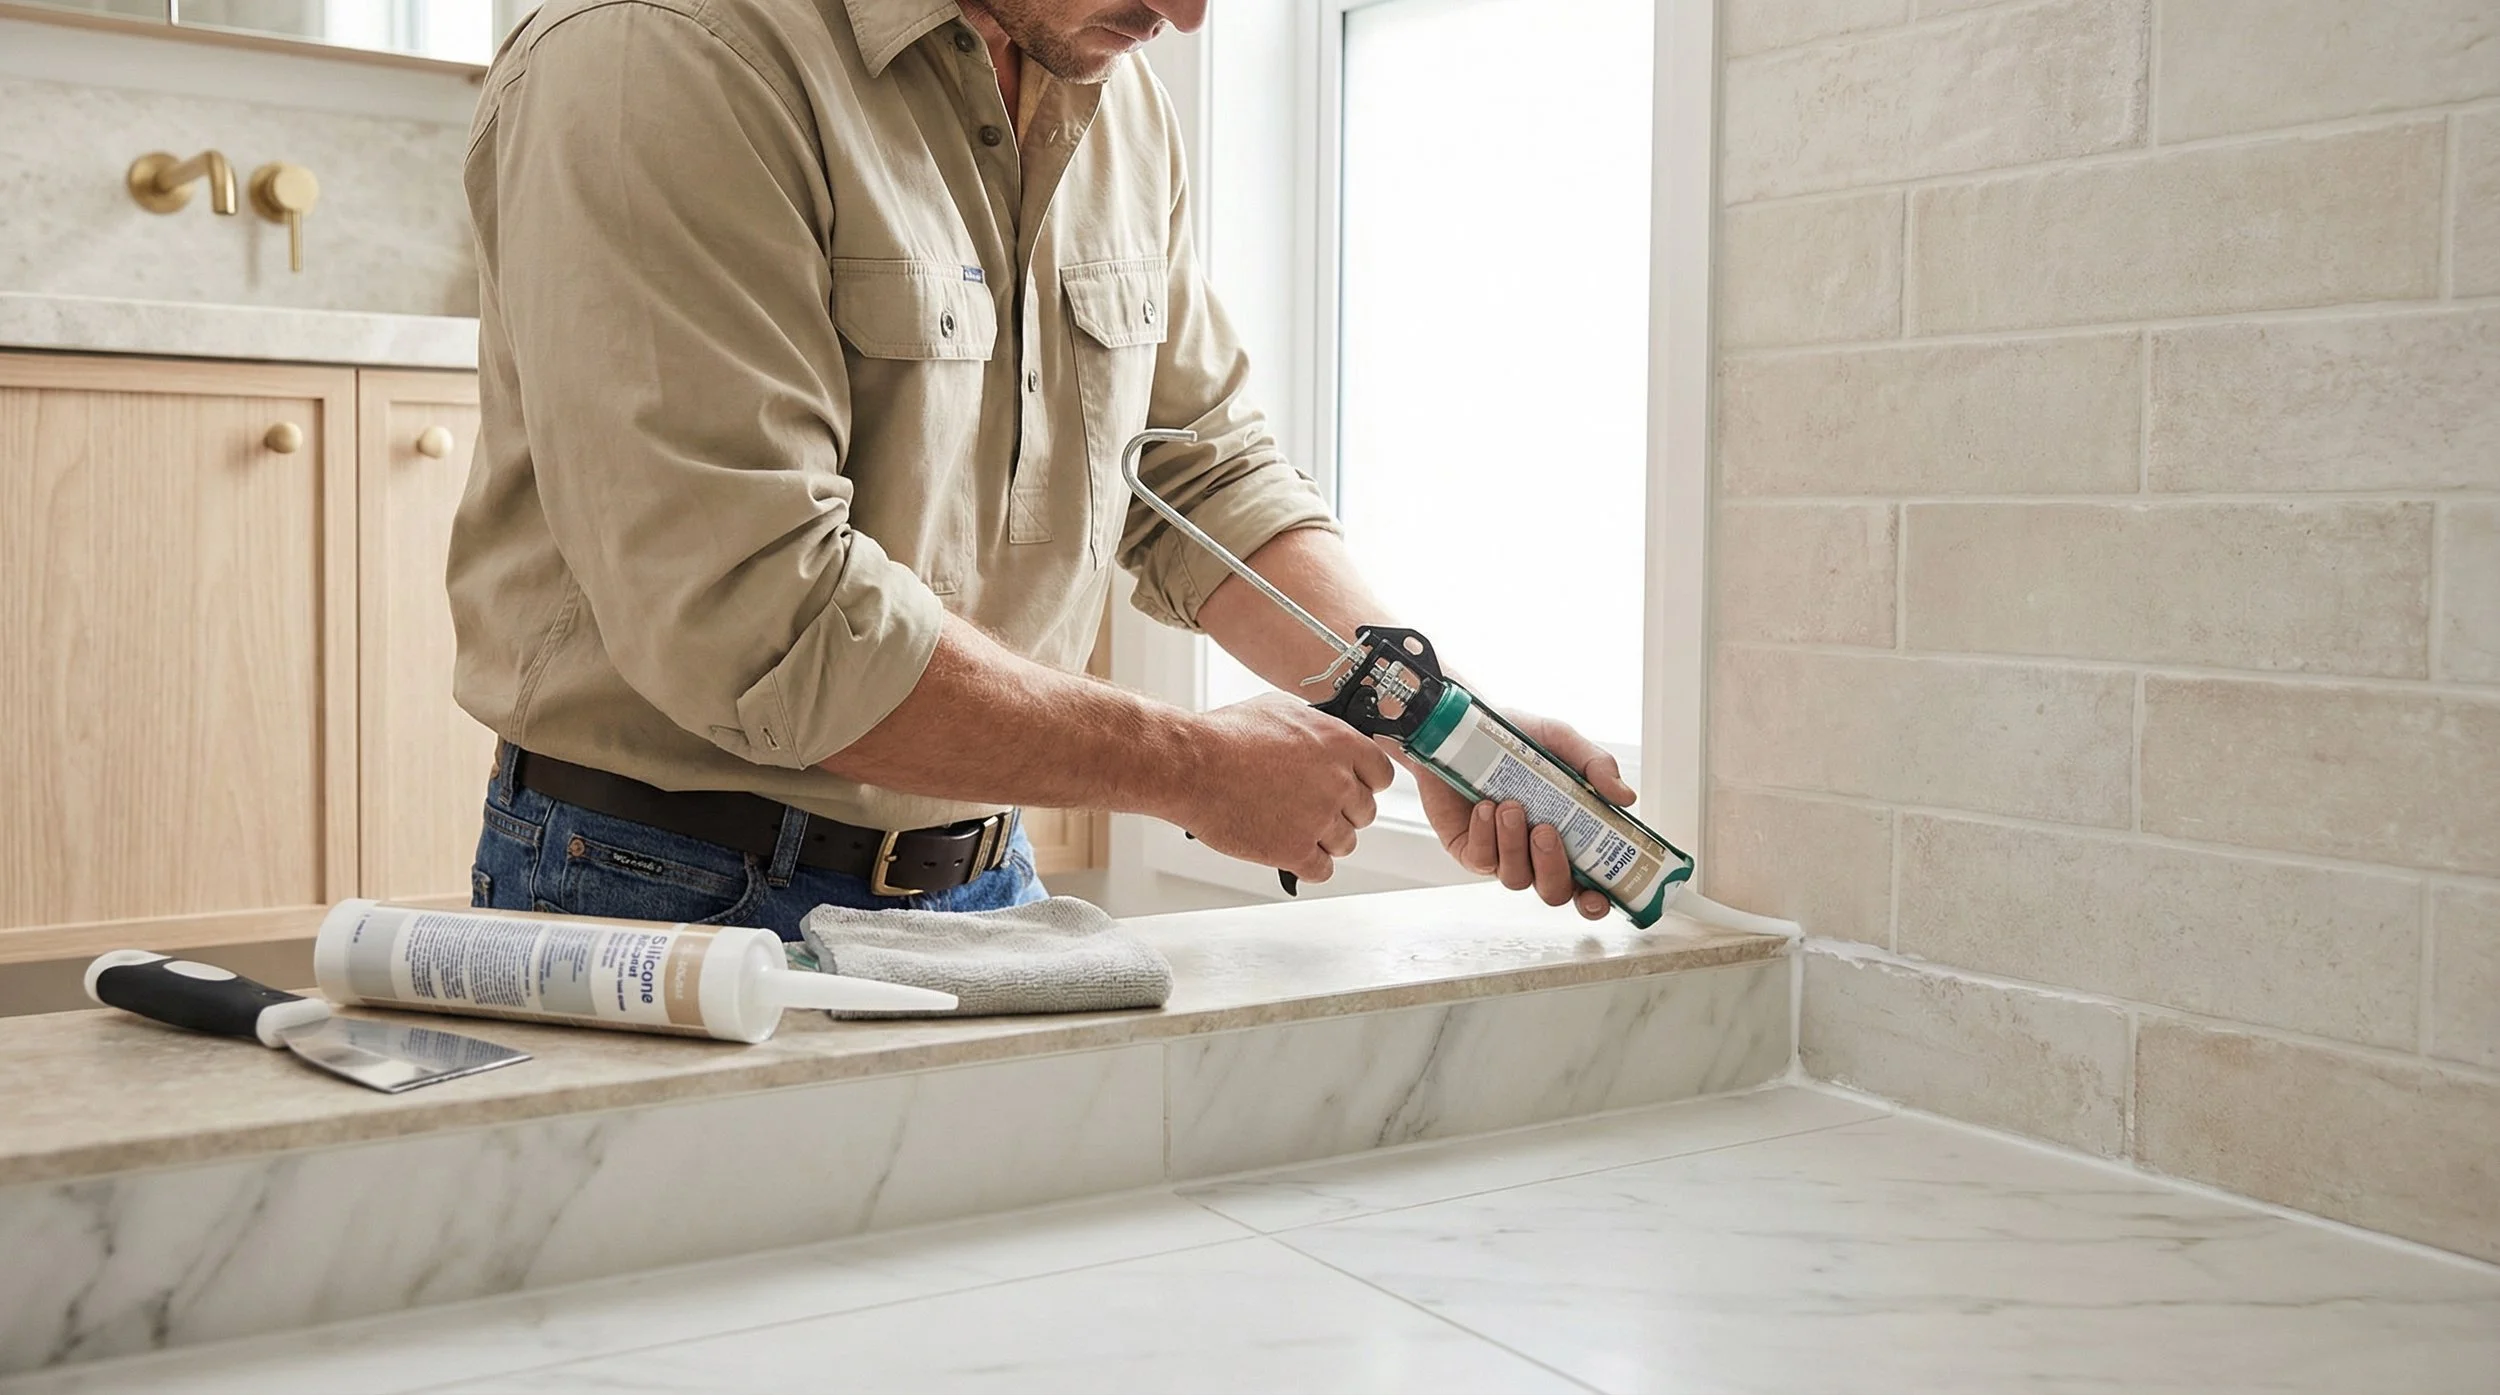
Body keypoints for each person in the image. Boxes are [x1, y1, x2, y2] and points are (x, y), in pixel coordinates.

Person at [450, 0, 1635, 937]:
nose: (1188, 13)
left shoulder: (1107, 90)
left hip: (982, 880)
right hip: (661, 887)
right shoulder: (661, 58)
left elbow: (1203, 479)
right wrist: (1193, 769)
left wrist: (1447, 729)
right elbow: (767, 620)